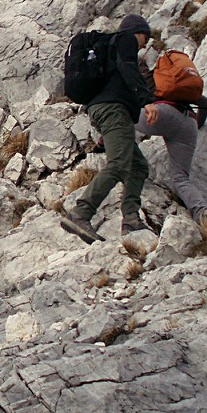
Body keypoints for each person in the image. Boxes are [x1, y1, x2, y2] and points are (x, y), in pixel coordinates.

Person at [62, 14, 157, 242]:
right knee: (118, 164)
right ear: (137, 31)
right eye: (146, 36)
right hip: (114, 110)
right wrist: (145, 100)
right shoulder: (126, 40)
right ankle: (81, 213)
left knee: (138, 167)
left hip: (104, 110)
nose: (146, 43)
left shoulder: (110, 48)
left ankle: (131, 220)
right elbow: (128, 67)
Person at [135, 57, 207, 229]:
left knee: (121, 115)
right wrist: (197, 125)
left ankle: (114, 153)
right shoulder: (169, 82)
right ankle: (202, 212)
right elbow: (205, 103)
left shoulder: (137, 77)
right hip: (188, 122)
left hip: (159, 113)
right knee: (180, 177)